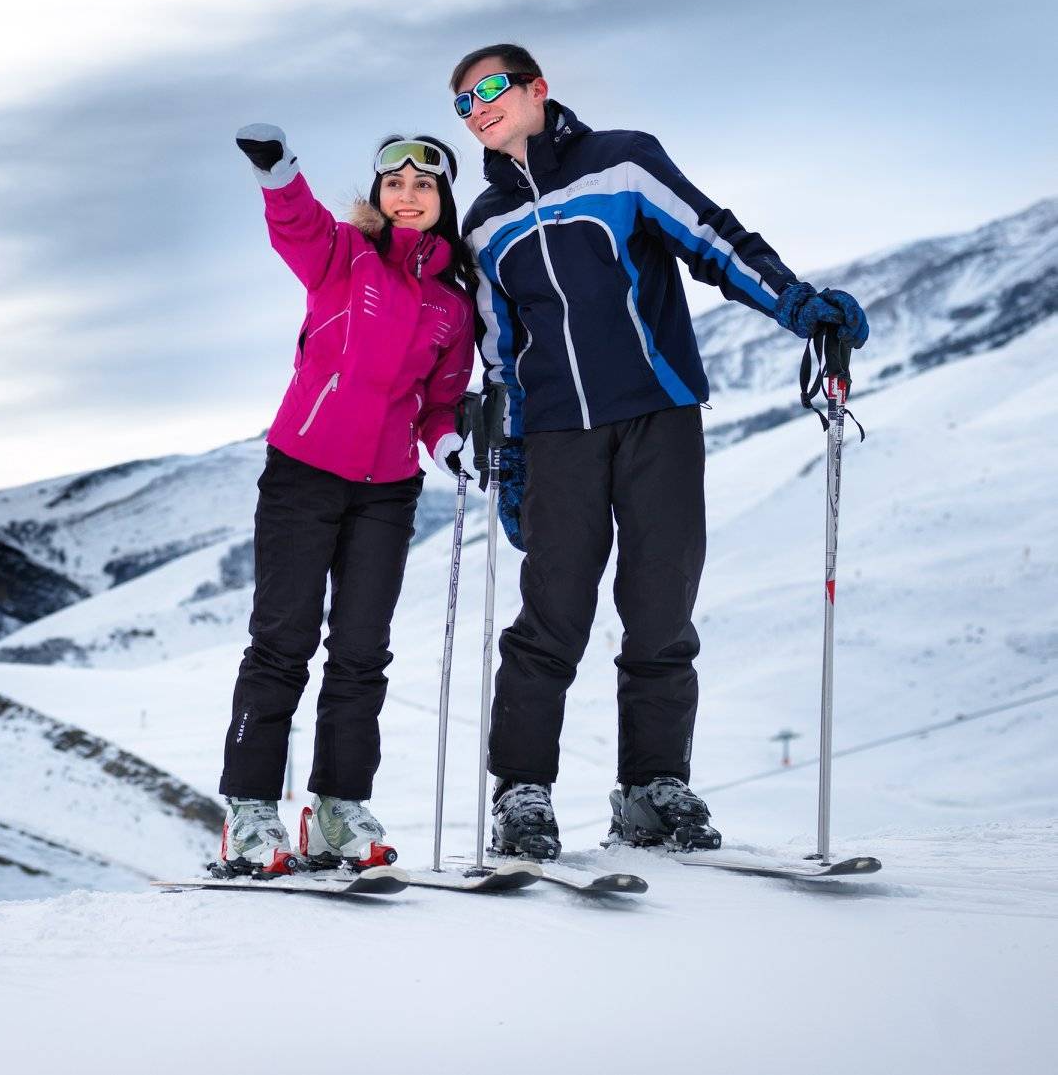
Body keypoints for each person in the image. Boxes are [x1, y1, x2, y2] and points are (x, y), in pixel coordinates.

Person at [446, 44, 869, 859]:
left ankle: (651, 788)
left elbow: (713, 241)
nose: (478, 108)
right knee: (551, 617)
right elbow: (501, 349)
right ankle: (521, 792)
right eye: (462, 103)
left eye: (491, 89)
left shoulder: (624, 162)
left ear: (538, 88)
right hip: (562, 436)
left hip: (658, 415)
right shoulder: (484, 223)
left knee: (660, 607)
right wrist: (513, 453)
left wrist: (796, 303)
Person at [216, 125, 478, 876]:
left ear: (442, 200)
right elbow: (295, 224)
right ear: (378, 193)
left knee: (362, 653)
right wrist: (279, 172)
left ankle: (335, 810)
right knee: (281, 642)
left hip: (389, 492)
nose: (407, 195)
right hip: (303, 470)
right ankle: (251, 812)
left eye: (423, 185)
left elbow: (441, 400)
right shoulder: (344, 255)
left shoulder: (452, 307)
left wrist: (447, 442)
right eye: (394, 183)